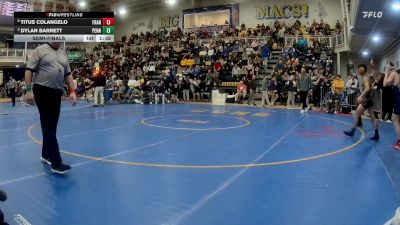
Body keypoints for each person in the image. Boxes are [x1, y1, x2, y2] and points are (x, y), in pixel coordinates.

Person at [25, 42, 77, 174]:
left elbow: (68, 74)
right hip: (42, 90)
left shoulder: (63, 54)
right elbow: (29, 70)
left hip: (56, 92)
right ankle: (56, 163)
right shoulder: (40, 49)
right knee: (49, 125)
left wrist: (72, 91)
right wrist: (29, 90)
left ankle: (45, 154)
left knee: (51, 125)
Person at [344, 64, 380, 140]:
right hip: (369, 99)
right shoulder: (366, 77)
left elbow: (367, 89)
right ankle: (377, 134)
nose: (358, 71)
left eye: (359, 69)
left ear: (362, 70)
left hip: (367, 99)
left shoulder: (365, 78)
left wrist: (361, 96)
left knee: (356, 114)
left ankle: (352, 132)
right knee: (373, 117)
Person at [383, 62, 400, 149]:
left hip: (398, 99)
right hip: (397, 98)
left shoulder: (393, 74)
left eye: (386, 68)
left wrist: (386, 73)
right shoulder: (395, 73)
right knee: (396, 119)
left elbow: (385, 84)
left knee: (395, 119)